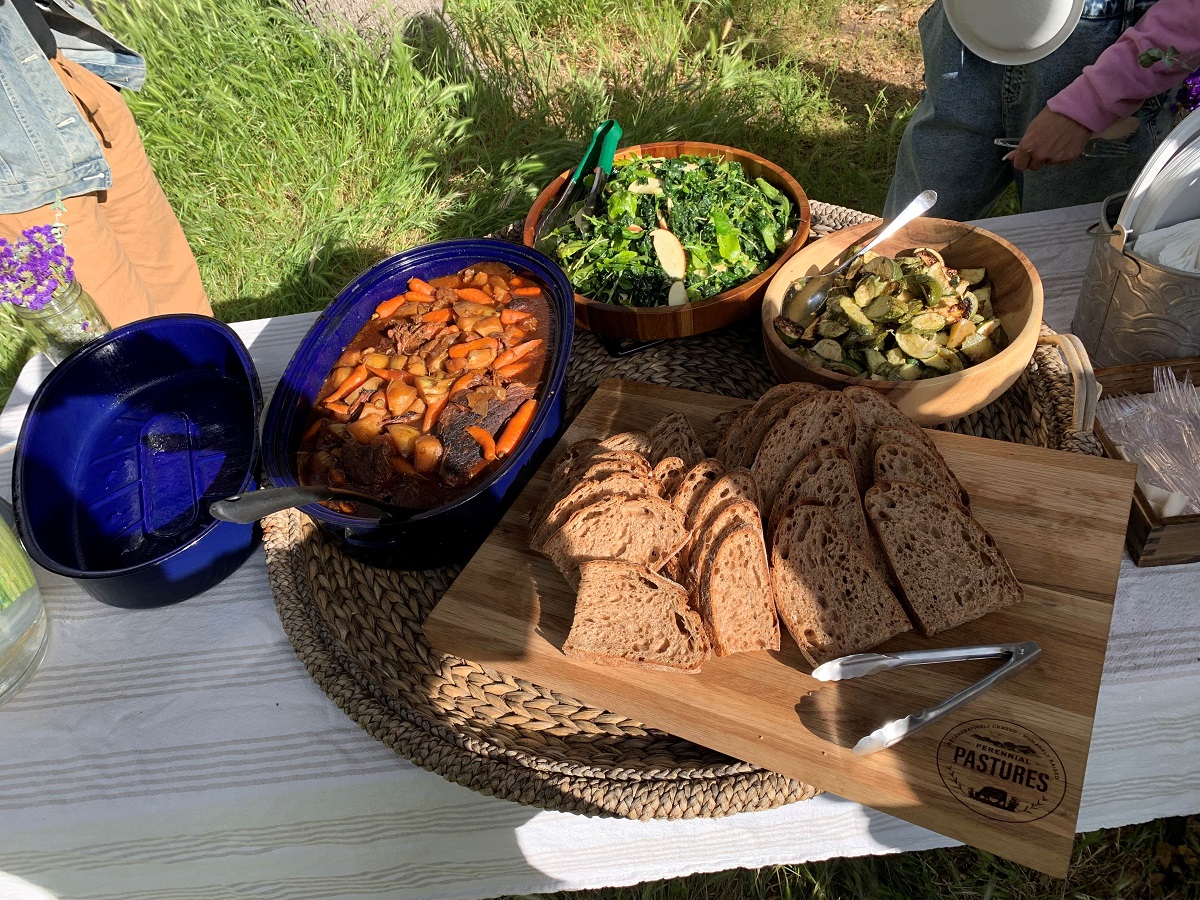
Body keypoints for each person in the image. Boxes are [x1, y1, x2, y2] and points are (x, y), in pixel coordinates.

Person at [886, 0, 1200, 221]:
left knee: (1061, 266)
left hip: (1103, 47)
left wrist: (1091, 103)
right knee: (904, 239)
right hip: (968, 30)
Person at [0, 0, 211, 327]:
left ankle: (222, 375)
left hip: (63, 80)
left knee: (179, 296)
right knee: (118, 337)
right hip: (20, 164)